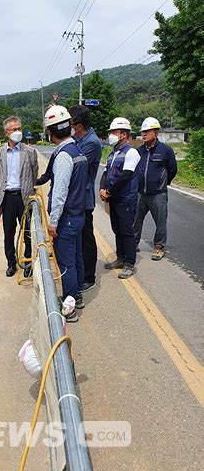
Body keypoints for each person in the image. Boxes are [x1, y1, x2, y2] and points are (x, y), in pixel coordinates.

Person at [44, 105, 88, 321]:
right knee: (76, 258)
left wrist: (53, 222)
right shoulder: (77, 150)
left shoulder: (63, 156)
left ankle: (69, 307)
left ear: (50, 131)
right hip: (78, 216)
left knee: (66, 262)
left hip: (67, 218)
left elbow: (60, 192)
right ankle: (77, 295)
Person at [0, 116, 38, 277]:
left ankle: (27, 262)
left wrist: (28, 188)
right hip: (8, 198)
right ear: (7, 132)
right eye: (14, 129)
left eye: (20, 128)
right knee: (9, 232)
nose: (18, 132)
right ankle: (11, 263)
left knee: (27, 232)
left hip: (24, 197)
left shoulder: (30, 152)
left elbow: (34, 173)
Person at [99, 117, 140, 279]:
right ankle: (120, 258)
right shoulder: (113, 153)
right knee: (117, 230)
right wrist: (102, 188)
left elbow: (125, 176)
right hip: (114, 198)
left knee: (126, 231)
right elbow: (105, 172)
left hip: (125, 199)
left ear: (123, 134)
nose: (111, 135)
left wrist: (109, 191)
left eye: (114, 132)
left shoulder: (131, 152)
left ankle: (129, 263)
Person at [133, 117, 177, 260]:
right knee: (135, 220)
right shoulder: (139, 151)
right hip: (140, 192)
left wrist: (163, 183)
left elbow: (172, 170)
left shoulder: (166, 150)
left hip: (158, 194)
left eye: (147, 131)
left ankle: (159, 247)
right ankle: (133, 243)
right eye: (143, 132)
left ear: (156, 132)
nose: (144, 134)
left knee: (160, 221)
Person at [69, 105, 102, 291]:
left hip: (84, 198)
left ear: (78, 125)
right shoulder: (78, 138)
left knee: (86, 237)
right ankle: (81, 271)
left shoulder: (92, 143)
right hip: (77, 197)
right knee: (79, 237)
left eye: (70, 122)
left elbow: (75, 166)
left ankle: (89, 276)